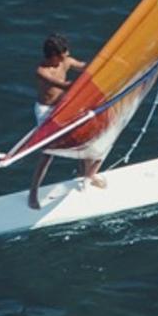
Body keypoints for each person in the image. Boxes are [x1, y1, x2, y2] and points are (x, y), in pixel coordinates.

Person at [28, 33, 105, 208]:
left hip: (64, 106)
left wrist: (104, 61)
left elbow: (84, 67)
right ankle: (33, 194)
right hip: (46, 111)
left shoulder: (66, 61)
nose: (67, 55)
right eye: (64, 53)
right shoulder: (41, 72)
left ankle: (87, 174)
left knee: (85, 136)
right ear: (54, 55)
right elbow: (66, 86)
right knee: (48, 153)